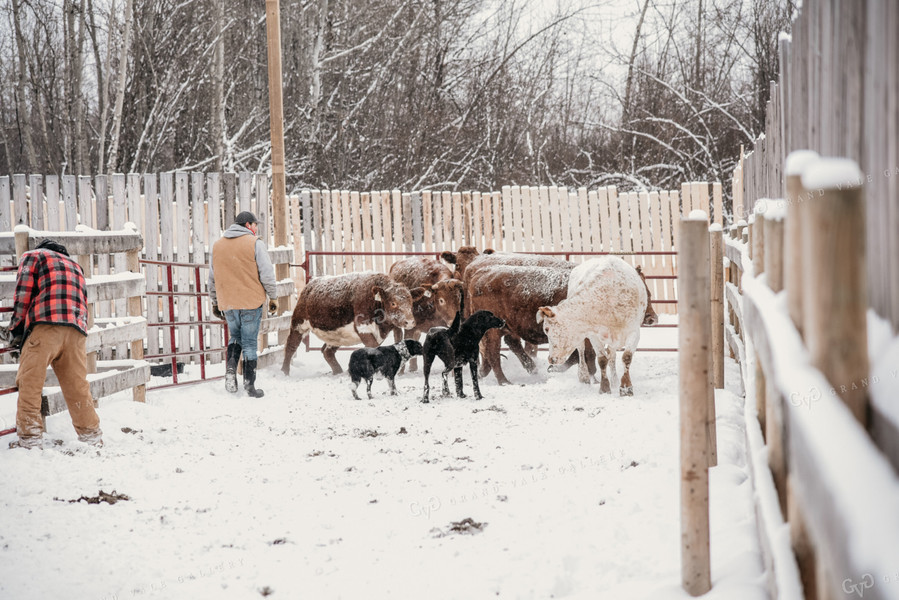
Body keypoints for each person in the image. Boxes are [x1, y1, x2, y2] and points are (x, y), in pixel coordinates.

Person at [2, 239, 103, 449]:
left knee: (30, 381)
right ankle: (92, 436)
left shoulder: (34, 256)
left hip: (46, 325)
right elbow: (83, 300)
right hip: (76, 329)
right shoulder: (76, 267)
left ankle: (30, 438)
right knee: (77, 386)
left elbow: (23, 295)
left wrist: (16, 330)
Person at [208, 211, 278, 397]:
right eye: (255, 225)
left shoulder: (217, 246)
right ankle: (250, 386)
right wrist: (273, 297)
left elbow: (212, 277)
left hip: (228, 303)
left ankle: (231, 371)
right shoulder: (255, 243)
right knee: (248, 343)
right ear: (248, 225)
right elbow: (267, 273)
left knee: (235, 337)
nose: (256, 228)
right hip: (250, 301)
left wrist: (215, 301)